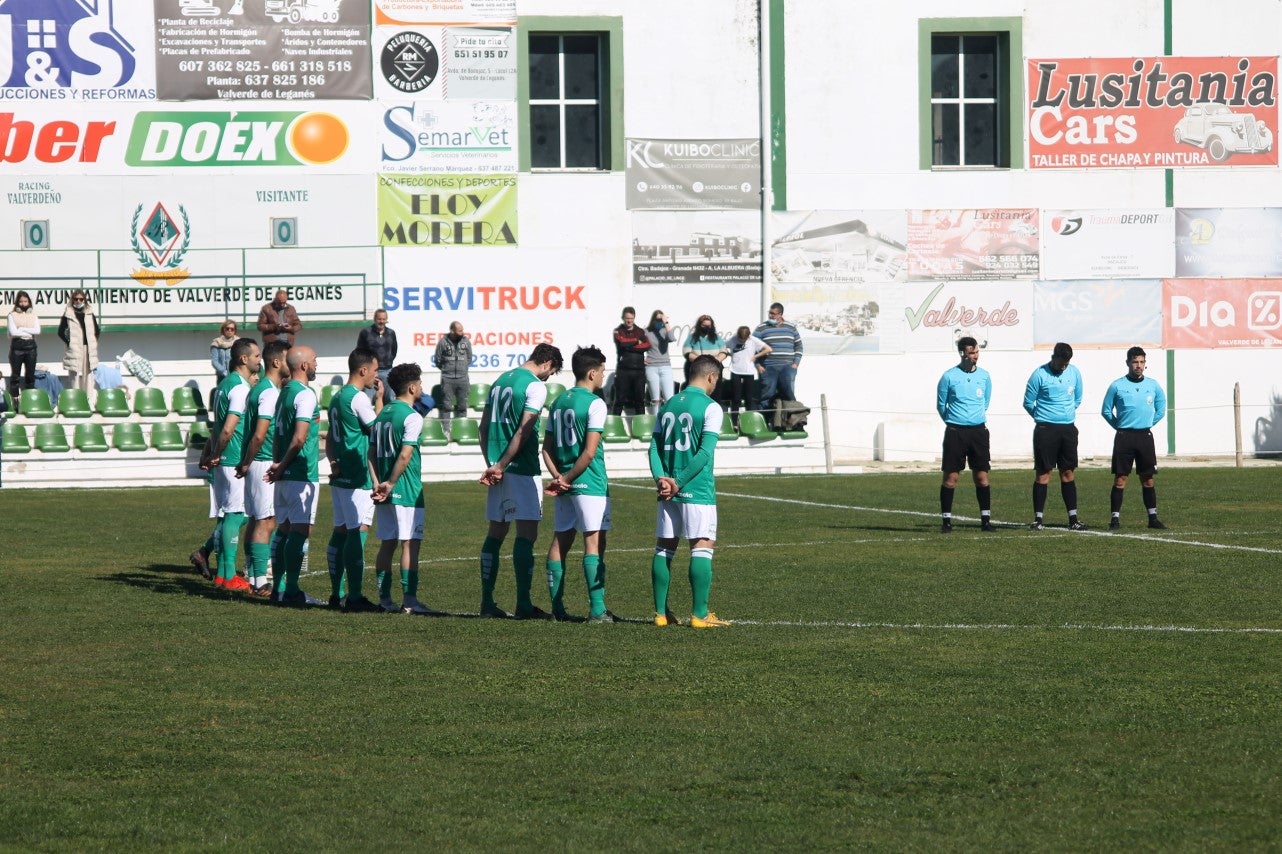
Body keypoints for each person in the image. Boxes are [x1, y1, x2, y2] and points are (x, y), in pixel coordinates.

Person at [477, 342, 564, 619]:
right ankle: (523, 604)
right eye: (551, 372)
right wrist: (502, 464)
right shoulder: (535, 386)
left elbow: (483, 426)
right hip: (521, 468)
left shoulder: (501, 380)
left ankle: (487, 603)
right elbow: (524, 431)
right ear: (548, 364)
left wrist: (491, 464)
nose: (548, 378)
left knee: (496, 533)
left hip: (497, 469)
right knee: (526, 534)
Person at [649, 354, 732, 629]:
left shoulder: (669, 404)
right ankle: (700, 615)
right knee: (702, 546)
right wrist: (680, 482)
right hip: (695, 489)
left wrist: (663, 480)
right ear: (711, 377)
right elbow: (704, 454)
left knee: (664, 548)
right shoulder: (711, 407)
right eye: (716, 380)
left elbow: (653, 448)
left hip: (668, 490)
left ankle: (660, 613)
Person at [542, 346, 615, 623]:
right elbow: (589, 452)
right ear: (592, 372)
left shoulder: (559, 401)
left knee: (561, 540)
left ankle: (557, 609)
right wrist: (569, 478)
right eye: (603, 371)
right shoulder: (595, 403)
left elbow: (546, 449)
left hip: (565, 483)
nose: (604, 376)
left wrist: (559, 478)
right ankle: (597, 609)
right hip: (589, 482)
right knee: (593, 543)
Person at [370, 362, 435, 615]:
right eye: (419, 383)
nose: (421, 387)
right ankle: (409, 601)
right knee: (410, 544)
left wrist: (378, 483)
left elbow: (371, 453)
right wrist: (392, 483)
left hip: (383, 491)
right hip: (405, 490)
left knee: (387, 544)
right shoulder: (412, 416)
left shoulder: (383, 414)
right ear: (411, 387)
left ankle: (385, 599)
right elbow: (405, 455)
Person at [197, 337, 261, 592]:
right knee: (235, 516)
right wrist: (217, 453)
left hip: (224, 458)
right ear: (244, 359)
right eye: (256, 356)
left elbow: (217, 427)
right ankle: (227, 575)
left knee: (229, 516)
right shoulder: (240, 389)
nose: (260, 360)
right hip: (233, 459)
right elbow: (227, 429)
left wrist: (210, 454)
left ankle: (223, 575)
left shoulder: (224, 385)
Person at [325, 348, 384, 611]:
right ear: (363, 370)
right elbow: (378, 431)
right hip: (358, 472)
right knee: (357, 531)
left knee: (340, 531)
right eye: (374, 370)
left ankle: (337, 594)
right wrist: (380, 400)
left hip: (340, 475)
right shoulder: (358, 398)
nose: (376, 375)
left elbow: (330, 438)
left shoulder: (337, 396)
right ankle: (356, 596)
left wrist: (333, 463)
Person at [266, 345, 324, 606]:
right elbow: (299, 437)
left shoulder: (283, 392)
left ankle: (277, 589)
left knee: (284, 529)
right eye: (314, 360)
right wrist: (284, 464)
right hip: (301, 471)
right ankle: (291, 590)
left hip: (285, 472)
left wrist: (278, 464)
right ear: (303, 365)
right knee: (299, 530)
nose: (316, 364)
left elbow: (279, 435)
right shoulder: (305, 394)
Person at [234, 339, 291, 596]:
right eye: (288, 358)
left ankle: (252, 574)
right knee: (265, 521)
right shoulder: (268, 391)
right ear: (277, 362)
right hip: (263, 459)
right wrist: (247, 462)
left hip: (258, 461)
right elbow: (259, 435)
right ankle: (259, 581)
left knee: (260, 519)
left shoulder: (263, 389)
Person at [1102, 346, 1168, 530]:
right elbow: (1106, 410)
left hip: (1145, 437)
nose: (1138, 365)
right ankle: (1114, 519)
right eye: (1135, 362)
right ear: (1128, 363)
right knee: (1120, 478)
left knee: (1148, 478)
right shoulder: (1117, 385)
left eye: (1141, 362)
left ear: (1145, 364)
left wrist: (1147, 423)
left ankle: (1153, 518)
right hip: (1124, 437)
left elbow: (1161, 408)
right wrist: (1119, 426)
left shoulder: (1153, 385)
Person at [1024, 342, 1087, 531]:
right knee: (1044, 473)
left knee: (1068, 473)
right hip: (1046, 430)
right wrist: (1043, 419)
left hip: (1067, 429)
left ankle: (1073, 519)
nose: (1064, 367)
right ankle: (1038, 519)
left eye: (1067, 363)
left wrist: (1064, 414)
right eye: (1062, 363)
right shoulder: (1039, 374)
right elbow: (1028, 402)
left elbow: (1077, 398)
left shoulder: (1074, 372)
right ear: (1054, 357)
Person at [936, 336, 995, 533]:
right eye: (971, 353)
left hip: (978, 432)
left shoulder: (984, 376)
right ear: (962, 353)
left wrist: (973, 419)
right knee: (951, 477)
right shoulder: (949, 376)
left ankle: (985, 521)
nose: (975, 356)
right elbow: (941, 405)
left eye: (977, 352)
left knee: (982, 477)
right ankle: (946, 522)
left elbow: (985, 402)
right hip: (956, 432)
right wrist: (955, 421)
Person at [753, 302, 803, 412]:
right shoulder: (761, 328)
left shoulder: (791, 327)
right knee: (767, 395)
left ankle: (790, 421)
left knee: (788, 395)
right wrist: (757, 365)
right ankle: (765, 421)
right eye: (769, 313)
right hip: (768, 368)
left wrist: (795, 364)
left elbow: (799, 346)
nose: (770, 316)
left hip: (787, 367)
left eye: (773, 314)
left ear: (780, 314)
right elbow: (752, 347)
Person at [725, 325, 771, 428]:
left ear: (748, 337)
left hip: (749, 372)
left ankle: (749, 422)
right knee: (736, 398)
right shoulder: (733, 339)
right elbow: (723, 346)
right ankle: (734, 423)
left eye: (744, 340)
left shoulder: (753, 340)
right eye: (740, 339)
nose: (741, 341)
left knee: (749, 398)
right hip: (735, 371)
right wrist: (728, 354)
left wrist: (755, 356)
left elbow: (768, 349)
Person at [434, 321, 472, 436]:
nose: (462, 332)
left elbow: (469, 357)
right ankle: (446, 430)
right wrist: (447, 369)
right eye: (460, 330)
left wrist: (462, 368)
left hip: (463, 378)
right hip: (447, 379)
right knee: (446, 406)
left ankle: (461, 430)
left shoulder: (466, 341)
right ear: (452, 331)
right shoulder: (443, 342)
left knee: (462, 406)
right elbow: (438, 360)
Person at [610, 306, 649, 417]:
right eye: (627, 318)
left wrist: (629, 347)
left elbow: (647, 345)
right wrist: (637, 341)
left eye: (631, 318)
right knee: (620, 400)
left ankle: (641, 427)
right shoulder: (618, 331)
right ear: (623, 318)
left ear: (634, 318)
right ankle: (615, 424)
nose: (629, 321)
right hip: (624, 371)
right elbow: (622, 343)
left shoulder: (640, 331)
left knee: (640, 400)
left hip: (639, 371)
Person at [58, 289, 100, 393]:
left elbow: (97, 330)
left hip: (88, 348)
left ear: (84, 300)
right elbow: (61, 332)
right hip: (75, 347)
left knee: (88, 375)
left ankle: (88, 402)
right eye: (76, 299)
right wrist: (69, 342)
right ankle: (75, 400)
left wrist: (92, 342)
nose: (78, 301)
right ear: (72, 300)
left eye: (81, 299)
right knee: (74, 375)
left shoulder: (89, 313)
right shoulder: (68, 314)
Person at [682, 314, 727, 401]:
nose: (707, 327)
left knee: (715, 392)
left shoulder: (717, 338)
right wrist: (702, 361)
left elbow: (724, 352)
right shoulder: (692, 337)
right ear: (699, 325)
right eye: (704, 326)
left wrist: (715, 361)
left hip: (715, 367)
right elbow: (687, 352)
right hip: (697, 367)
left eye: (709, 326)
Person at [356, 309, 397, 404]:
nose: (381, 321)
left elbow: (394, 350)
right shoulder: (365, 332)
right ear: (374, 319)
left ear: (386, 319)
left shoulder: (391, 333)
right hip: (371, 371)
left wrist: (388, 361)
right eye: (379, 319)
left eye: (384, 319)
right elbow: (360, 351)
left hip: (387, 371)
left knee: (390, 399)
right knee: (367, 399)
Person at [7, 291, 39, 402]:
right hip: (17, 347)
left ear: (29, 302)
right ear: (17, 302)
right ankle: (14, 401)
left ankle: (29, 400)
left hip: (31, 347)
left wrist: (21, 329)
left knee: (30, 376)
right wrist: (29, 332)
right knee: (15, 376)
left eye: (25, 301)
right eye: (21, 301)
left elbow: (37, 330)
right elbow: (13, 332)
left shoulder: (33, 315)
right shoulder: (12, 315)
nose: (23, 303)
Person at [644, 309, 676, 415]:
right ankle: (655, 424)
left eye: (660, 319)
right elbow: (637, 346)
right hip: (651, 367)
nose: (659, 322)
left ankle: (669, 420)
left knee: (669, 398)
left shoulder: (665, 330)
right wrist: (641, 359)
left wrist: (666, 322)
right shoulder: (646, 332)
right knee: (655, 400)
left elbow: (672, 338)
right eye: (657, 319)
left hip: (665, 366)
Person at [210, 319, 238, 385]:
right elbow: (214, 361)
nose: (229, 331)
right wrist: (223, 371)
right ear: (223, 330)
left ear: (235, 331)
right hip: (222, 377)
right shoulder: (216, 343)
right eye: (227, 328)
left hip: (235, 376)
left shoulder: (238, 342)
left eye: (232, 329)